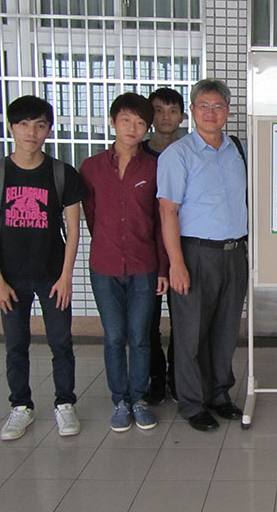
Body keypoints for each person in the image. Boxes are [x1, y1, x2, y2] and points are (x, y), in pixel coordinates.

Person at [0, 95, 85, 440]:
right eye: (23, 124)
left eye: (39, 125)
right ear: (11, 127)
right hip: (11, 277)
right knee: (15, 345)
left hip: (52, 276)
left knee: (61, 343)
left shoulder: (62, 173)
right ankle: (21, 406)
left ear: (49, 130)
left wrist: (66, 277)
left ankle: (65, 403)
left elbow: (74, 230)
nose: (31, 133)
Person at [157, 78, 247, 431]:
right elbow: (168, 211)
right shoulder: (178, 154)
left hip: (234, 252)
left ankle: (219, 395)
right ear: (192, 111)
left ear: (228, 111)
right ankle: (193, 403)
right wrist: (176, 264)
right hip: (195, 253)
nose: (212, 113)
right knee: (191, 334)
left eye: (218, 106)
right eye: (204, 106)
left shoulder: (238, 150)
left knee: (225, 330)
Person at [80, 92, 169, 432]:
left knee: (141, 336)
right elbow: (91, 216)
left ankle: (140, 399)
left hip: (145, 265)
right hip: (104, 267)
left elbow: (160, 222)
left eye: (140, 122)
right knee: (115, 337)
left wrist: (163, 268)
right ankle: (120, 400)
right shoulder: (91, 167)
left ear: (148, 128)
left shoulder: (155, 167)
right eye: (126, 120)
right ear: (113, 122)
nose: (133, 128)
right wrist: (109, 244)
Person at [142, 87, 187, 404]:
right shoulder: (138, 155)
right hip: (147, 251)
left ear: (183, 116)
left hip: (185, 250)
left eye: (172, 110)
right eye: (158, 110)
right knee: (148, 323)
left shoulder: (190, 151)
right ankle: (155, 378)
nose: (166, 117)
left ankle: (177, 379)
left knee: (183, 322)